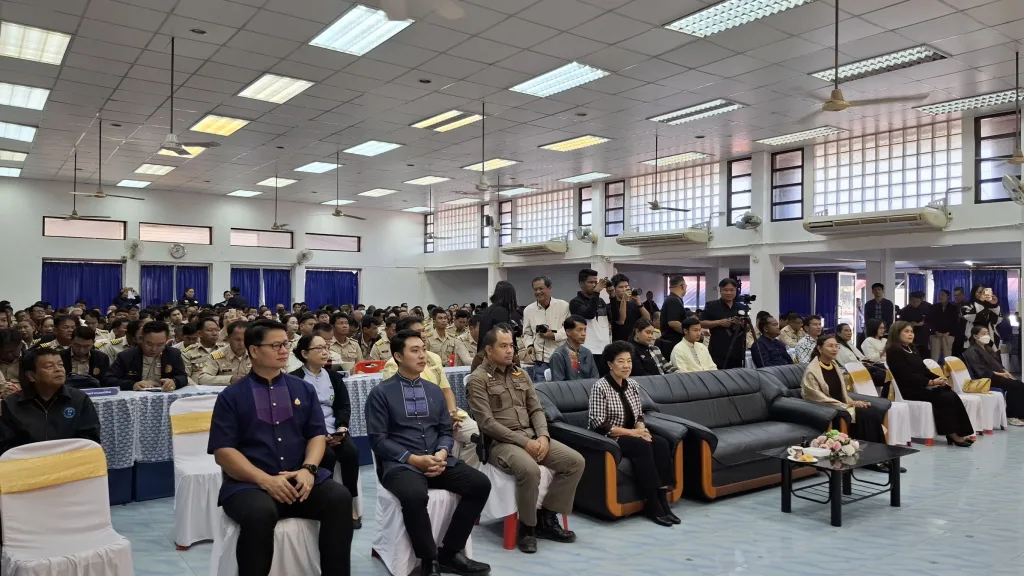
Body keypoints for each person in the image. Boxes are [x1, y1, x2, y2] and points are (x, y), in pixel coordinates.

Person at [207, 320, 352, 576]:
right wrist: (265, 480)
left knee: (339, 498)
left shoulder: (302, 389)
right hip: (250, 485)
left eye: (286, 344)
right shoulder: (232, 396)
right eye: (276, 345)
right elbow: (223, 452)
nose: (284, 350)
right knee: (260, 513)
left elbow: (316, 435)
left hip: (299, 478)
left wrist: (308, 469)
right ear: (254, 350)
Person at [366, 329, 491, 576]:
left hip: (437, 459)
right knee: (414, 495)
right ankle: (428, 559)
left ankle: (450, 553)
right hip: (400, 464)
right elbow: (378, 440)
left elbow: (445, 430)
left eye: (423, 349)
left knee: (480, 484)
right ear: (398, 357)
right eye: (415, 351)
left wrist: (442, 453)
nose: (423, 355)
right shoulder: (381, 393)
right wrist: (414, 460)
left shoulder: (434, 391)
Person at [467, 326, 583, 553]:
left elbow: (536, 409)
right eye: (503, 346)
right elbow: (487, 423)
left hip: (532, 436)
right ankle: (527, 528)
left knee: (575, 462)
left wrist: (543, 436)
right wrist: (524, 443)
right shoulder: (478, 379)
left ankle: (546, 519)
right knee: (529, 470)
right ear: (489, 350)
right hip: (500, 444)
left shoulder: (521, 374)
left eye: (511, 345)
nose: (510, 350)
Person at [590, 341, 678, 526]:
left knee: (661, 444)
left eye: (629, 361)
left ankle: (663, 499)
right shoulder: (600, 387)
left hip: (632, 433)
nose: (626, 366)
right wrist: (633, 433)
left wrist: (641, 429)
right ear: (610, 364)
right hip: (610, 437)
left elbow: (639, 415)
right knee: (641, 446)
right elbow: (599, 424)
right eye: (620, 361)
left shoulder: (632, 385)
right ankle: (652, 503)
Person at [381, 316, 480, 468]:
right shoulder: (394, 365)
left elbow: (446, 389)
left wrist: (451, 412)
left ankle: (459, 466)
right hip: (422, 417)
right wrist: (444, 419)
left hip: (446, 412)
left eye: (423, 331)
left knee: (479, 436)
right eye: (417, 332)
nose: (423, 335)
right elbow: (402, 404)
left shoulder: (433, 358)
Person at [290, 334, 363, 527]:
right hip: (311, 433)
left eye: (326, 347)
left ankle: (350, 504)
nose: (325, 352)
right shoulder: (294, 380)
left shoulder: (333, 377)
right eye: (319, 348)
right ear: (304, 353)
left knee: (351, 453)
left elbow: (343, 406)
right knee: (327, 456)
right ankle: (327, 503)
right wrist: (319, 435)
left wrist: (342, 428)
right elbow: (296, 414)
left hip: (334, 428)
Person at [885, 321, 974, 446]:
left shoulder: (912, 349)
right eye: (906, 331)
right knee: (944, 397)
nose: (910, 334)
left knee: (950, 393)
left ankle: (961, 432)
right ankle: (951, 433)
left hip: (921, 385)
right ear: (896, 333)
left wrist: (939, 378)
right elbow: (904, 375)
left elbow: (924, 370)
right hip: (908, 389)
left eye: (911, 331)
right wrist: (930, 382)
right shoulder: (894, 351)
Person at [0, 348, 100, 455]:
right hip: (27, 462)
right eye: (49, 366)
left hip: (70, 460)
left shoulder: (79, 399)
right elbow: (6, 446)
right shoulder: (11, 404)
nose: (58, 370)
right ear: (31, 376)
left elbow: (90, 439)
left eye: (60, 365)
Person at [802, 335, 889, 453]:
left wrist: (852, 402)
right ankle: (868, 453)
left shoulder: (834, 365)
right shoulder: (812, 370)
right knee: (866, 414)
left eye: (836, 346)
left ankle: (880, 452)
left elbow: (841, 392)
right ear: (819, 348)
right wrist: (845, 405)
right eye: (830, 346)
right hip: (828, 407)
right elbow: (815, 396)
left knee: (875, 411)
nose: (834, 349)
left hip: (841, 404)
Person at [962, 325, 1024, 427]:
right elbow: (980, 370)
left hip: (998, 376)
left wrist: (1005, 372)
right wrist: (1000, 374)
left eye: (987, 333)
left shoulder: (988, 349)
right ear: (975, 336)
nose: (986, 335)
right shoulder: (971, 351)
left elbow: (997, 364)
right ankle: (1011, 416)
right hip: (987, 379)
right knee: (1015, 386)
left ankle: (1020, 414)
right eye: (983, 333)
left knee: (1019, 384)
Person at [104, 322, 188, 391]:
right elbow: (108, 379)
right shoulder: (126, 356)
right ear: (141, 339)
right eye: (149, 344)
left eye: (160, 345)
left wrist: (174, 381)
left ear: (166, 341)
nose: (154, 349)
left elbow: (183, 377)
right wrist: (132, 385)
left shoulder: (173, 354)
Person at [522, 276, 570, 383]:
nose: (538, 292)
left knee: (561, 388)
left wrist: (553, 336)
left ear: (549, 288)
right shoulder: (528, 310)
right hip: (540, 360)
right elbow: (527, 333)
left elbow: (569, 329)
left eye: (541, 288)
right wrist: (529, 345)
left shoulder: (563, 306)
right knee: (541, 390)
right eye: (535, 289)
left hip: (560, 357)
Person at [699, 278, 749, 369]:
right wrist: (719, 322)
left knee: (737, 375)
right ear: (720, 290)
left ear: (736, 290)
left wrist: (742, 323)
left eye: (732, 290)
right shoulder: (712, 306)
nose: (729, 293)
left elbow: (748, 328)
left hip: (737, 350)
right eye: (725, 290)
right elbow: (701, 323)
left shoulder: (742, 307)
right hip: (718, 349)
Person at [569, 269, 612, 365]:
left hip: (605, 349)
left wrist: (612, 296)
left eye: (595, 282)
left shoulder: (601, 301)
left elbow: (616, 319)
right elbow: (589, 314)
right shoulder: (575, 302)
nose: (594, 285)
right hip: (587, 349)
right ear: (581, 284)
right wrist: (596, 293)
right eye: (590, 282)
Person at [476, 281, 522, 357]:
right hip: (497, 356)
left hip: (484, 353)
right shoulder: (501, 312)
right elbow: (504, 338)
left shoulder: (488, 310)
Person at [835, 323, 887, 389]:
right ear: (839, 333)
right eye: (846, 330)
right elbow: (849, 363)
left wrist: (866, 361)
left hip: (865, 366)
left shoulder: (849, 344)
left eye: (850, 330)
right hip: (857, 371)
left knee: (888, 372)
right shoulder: (838, 347)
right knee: (886, 376)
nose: (849, 333)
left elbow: (861, 357)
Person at [199, 321, 251, 386]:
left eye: (245, 339)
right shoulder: (217, 355)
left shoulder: (256, 354)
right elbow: (203, 378)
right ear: (228, 338)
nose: (242, 344)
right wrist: (230, 380)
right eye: (237, 340)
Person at [549, 315, 599, 381]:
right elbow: (558, 384)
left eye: (585, 330)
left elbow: (595, 379)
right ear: (568, 332)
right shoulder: (559, 355)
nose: (583, 334)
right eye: (579, 330)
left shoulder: (587, 353)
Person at [608, 274, 649, 343]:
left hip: (634, 343)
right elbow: (621, 321)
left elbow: (647, 319)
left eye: (626, 286)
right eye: (621, 287)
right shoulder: (611, 306)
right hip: (618, 342)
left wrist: (639, 303)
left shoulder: (633, 304)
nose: (624, 289)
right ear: (614, 289)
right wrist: (624, 299)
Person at [656, 275, 690, 359]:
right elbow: (673, 322)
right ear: (682, 286)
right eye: (685, 286)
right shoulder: (673, 300)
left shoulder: (672, 299)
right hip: (671, 343)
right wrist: (689, 333)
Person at [962, 284, 1002, 353]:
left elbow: (997, 320)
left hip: (990, 337)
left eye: (984, 292)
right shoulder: (967, 304)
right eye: (980, 292)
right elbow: (972, 317)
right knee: (975, 357)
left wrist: (994, 305)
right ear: (974, 293)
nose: (982, 294)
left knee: (991, 357)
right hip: (973, 337)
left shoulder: (990, 305)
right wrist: (981, 303)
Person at [184, 318, 223, 384]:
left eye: (217, 330)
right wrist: (195, 387)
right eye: (210, 330)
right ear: (199, 333)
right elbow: (185, 376)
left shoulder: (224, 350)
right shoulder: (189, 352)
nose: (215, 333)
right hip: (197, 387)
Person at [928, 289, 959, 362]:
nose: (940, 296)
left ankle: (948, 369)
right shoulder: (934, 307)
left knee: (947, 357)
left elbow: (955, 322)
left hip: (948, 335)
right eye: (939, 294)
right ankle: (933, 369)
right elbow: (930, 321)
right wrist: (935, 331)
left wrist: (949, 332)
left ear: (948, 297)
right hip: (935, 334)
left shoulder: (953, 308)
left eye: (942, 295)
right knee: (934, 356)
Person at [896, 292, 929, 358]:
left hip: (922, 335)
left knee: (922, 352)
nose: (916, 303)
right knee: (910, 351)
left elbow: (929, 321)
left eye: (918, 302)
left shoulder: (925, 309)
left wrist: (922, 324)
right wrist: (910, 324)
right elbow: (900, 322)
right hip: (909, 334)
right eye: (913, 301)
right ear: (910, 300)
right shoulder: (905, 310)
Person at [951, 286, 969, 354]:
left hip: (964, 333)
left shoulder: (968, 305)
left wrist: (963, 317)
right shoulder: (950, 305)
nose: (956, 297)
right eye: (955, 295)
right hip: (952, 334)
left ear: (963, 294)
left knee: (964, 354)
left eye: (958, 295)